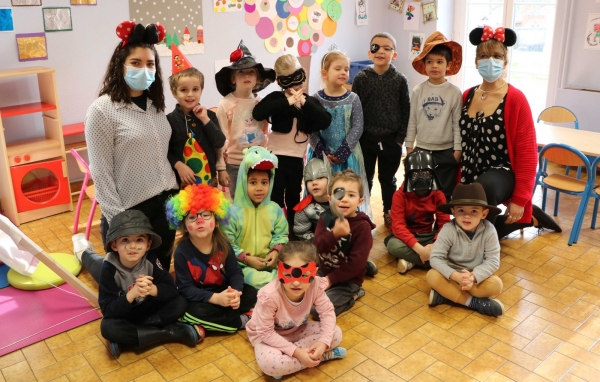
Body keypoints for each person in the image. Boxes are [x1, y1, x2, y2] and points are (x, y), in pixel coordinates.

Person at [85, 21, 178, 270]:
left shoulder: (155, 105)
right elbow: (101, 173)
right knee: (129, 285)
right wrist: (121, 223)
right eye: (136, 63)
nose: (144, 69)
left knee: (159, 274)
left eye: (150, 64)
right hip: (131, 210)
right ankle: (86, 255)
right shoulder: (102, 110)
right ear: (121, 66)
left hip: (167, 204)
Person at [460, 26, 561, 239]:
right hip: (469, 170)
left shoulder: (515, 99)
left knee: (480, 195)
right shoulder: (466, 95)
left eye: (496, 56)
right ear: (476, 61)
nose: (490, 61)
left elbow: (527, 154)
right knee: (465, 222)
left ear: (505, 63)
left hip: (501, 173)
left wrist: (520, 200)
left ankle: (478, 242)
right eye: (484, 56)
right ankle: (528, 220)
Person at [72, 210, 200, 359]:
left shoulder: (150, 258)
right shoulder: (109, 268)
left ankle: (131, 338)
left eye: (139, 240)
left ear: (148, 244)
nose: (133, 246)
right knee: (108, 327)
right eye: (125, 240)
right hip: (126, 314)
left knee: (180, 302)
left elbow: (171, 289)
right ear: (114, 245)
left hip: (147, 311)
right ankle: (170, 332)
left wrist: (153, 290)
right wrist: (131, 295)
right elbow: (108, 310)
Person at [252, 54, 331, 232]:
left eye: (297, 77)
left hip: (296, 158)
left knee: (294, 194)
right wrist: (288, 101)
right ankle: (274, 228)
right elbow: (258, 112)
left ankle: (294, 228)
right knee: (275, 195)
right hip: (275, 156)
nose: (295, 83)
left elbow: (325, 120)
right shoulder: (276, 99)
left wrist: (303, 102)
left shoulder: (310, 102)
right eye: (288, 79)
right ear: (281, 81)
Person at [165, 184, 258, 335]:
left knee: (251, 293)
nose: (199, 221)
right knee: (189, 311)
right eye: (192, 217)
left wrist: (235, 293)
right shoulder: (182, 252)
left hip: (224, 291)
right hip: (201, 298)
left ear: (217, 221)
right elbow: (186, 289)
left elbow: (235, 272)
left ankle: (221, 320)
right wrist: (215, 299)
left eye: (205, 215)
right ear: (184, 225)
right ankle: (239, 321)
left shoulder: (223, 244)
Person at [246, 241, 346, 379]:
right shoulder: (269, 295)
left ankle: (291, 362)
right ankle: (322, 357)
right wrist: (298, 352)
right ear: (279, 271)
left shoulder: (315, 285)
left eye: (304, 275)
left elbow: (327, 312)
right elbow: (265, 332)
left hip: (298, 329)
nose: (296, 283)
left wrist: (323, 343)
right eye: (288, 275)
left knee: (335, 333)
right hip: (268, 335)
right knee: (270, 364)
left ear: (314, 272)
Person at [352, 32, 410, 228]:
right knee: (365, 178)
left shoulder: (400, 80)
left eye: (387, 48)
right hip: (366, 139)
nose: (381, 51)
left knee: (387, 179)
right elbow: (355, 109)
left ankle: (388, 211)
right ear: (370, 52)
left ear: (394, 54)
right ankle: (364, 212)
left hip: (391, 140)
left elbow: (406, 110)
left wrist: (400, 139)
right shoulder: (361, 78)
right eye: (377, 47)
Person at [308, 47, 371, 216]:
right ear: (324, 73)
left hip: (348, 155)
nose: (344, 72)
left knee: (347, 189)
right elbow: (311, 129)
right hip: (321, 155)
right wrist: (323, 152)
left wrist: (343, 151)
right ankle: (320, 223)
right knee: (324, 191)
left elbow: (358, 127)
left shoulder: (353, 98)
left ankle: (350, 221)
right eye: (338, 68)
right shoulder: (315, 99)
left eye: (346, 69)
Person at [427, 183, 505, 316]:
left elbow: (492, 261)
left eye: (474, 211)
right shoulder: (448, 229)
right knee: (431, 276)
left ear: (484, 213)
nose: (467, 216)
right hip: (451, 276)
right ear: (453, 212)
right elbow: (435, 258)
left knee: (496, 285)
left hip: (474, 278)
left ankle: (446, 295)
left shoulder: (490, 230)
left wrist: (473, 277)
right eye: (461, 210)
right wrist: (456, 276)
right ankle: (474, 303)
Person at [405, 32, 463, 202]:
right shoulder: (418, 90)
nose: (434, 66)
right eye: (429, 61)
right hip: (422, 149)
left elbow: (456, 123)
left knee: (444, 194)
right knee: (422, 192)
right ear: (424, 64)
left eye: (439, 62)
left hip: (447, 151)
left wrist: (457, 150)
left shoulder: (454, 92)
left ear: (448, 64)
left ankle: (442, 225)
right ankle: (423, 225)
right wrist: (409, 147)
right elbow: (413, 120)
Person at [220, 146, 289, 289]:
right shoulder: (232, 213)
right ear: (243, 182)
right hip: (242, 266)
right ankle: (278, 284)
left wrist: (276, 251)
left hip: (271, 263)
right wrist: (247, 258)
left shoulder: (275, 209)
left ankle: (279, 283)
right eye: (253, 182)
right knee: (254, 279)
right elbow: (226, 244)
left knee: (295, 265)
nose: (259, 188)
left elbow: (281, 234)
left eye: (264, 182)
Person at [215, 40, 276, 198]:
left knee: (260, 201)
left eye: (251, 72)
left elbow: (267, 131)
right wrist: (221, 167)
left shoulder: (262, 103)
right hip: (235, 162)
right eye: (241, 72)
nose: (247, 75)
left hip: (260, 160)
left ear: (258, 79)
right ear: (233, 79)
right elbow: (220, 138)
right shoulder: (225, 104)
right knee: (239, 202)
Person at [312, 169, 376, 318]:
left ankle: (354, 295)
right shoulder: (325, 217)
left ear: (360, 201)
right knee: (299, 298)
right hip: (324, 272)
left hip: (348, 281)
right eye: (339, 194)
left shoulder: (362, 227)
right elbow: (316, 247)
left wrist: (330, 280)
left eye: (351, 195)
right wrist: (334, 234)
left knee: (317, 311)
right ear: (329, 198)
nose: (344, 199)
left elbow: (355, 265)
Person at [167, 46, 226, 187]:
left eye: (195, 89)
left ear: (201, 90)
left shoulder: (209, 116)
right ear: (174, 92)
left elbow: (219, 142)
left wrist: (205, 119)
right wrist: (178, 165)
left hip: (209, 182)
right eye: (183, 90)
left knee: (210, 209)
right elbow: (164, 151)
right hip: (182, 184)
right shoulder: (169, 120)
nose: (190, 94)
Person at [385, 151, 450, 274]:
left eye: (425, 173)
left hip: (429, 236)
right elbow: (398, 226)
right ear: (406, 175)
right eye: (415, 174)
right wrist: (421, 250)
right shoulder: (399, 196)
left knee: (453, 242)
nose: (421, 178)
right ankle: (436, 262)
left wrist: (435, 244)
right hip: (406, 238)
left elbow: (444, 223)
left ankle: (412, 261)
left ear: (432, 174)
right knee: (393, 245)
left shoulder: (438, 194)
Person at [293, 158, 331, 242]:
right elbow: (302, 233)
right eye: (309, 180)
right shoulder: (303, 209)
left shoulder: (342, 200)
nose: (314, 183)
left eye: (320, 177)